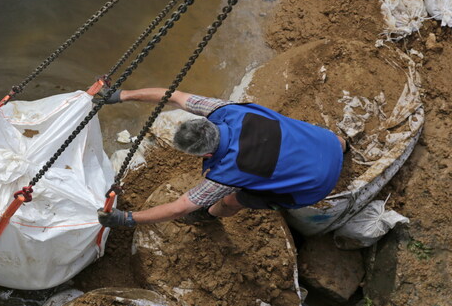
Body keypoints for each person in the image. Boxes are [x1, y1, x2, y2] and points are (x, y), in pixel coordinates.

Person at [97, 88, 346, 228]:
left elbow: (181, 206)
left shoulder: (227, 173)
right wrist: (122, 95)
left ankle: (211, 216)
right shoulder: (227, 111)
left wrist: (128, 218)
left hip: (315, 187)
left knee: (231, 200)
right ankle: (345, 147)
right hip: (329, 143)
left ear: (206, 154)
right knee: (314, 136)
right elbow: (173, 96)